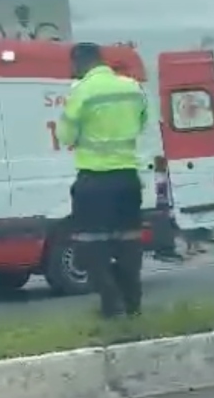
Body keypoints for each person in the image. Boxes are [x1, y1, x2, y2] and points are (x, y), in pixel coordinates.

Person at [57, 43, 148, 319]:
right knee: (129, 243)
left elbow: (65, 137)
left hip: (94, 180)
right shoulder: (132, 88)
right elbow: (143, 123)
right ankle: (133, 304)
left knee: (91, 246)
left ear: (79, 63)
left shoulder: (81, 91)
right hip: (127, 178)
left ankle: (111, 302)